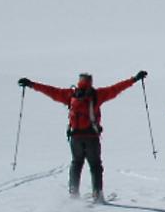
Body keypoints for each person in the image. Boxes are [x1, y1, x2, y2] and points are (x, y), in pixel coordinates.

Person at [18, 70, 147, 202]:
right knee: (95, 165)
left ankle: (73, 194)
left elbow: (50, 91)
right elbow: (117, 88)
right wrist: (135, 79)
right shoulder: (97, 94)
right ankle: (97, 195)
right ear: (90, 82)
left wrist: (31, 84)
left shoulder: (70, 94)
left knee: (76, 163)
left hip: (75, 137)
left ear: (79, 82)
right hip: (92, 137)